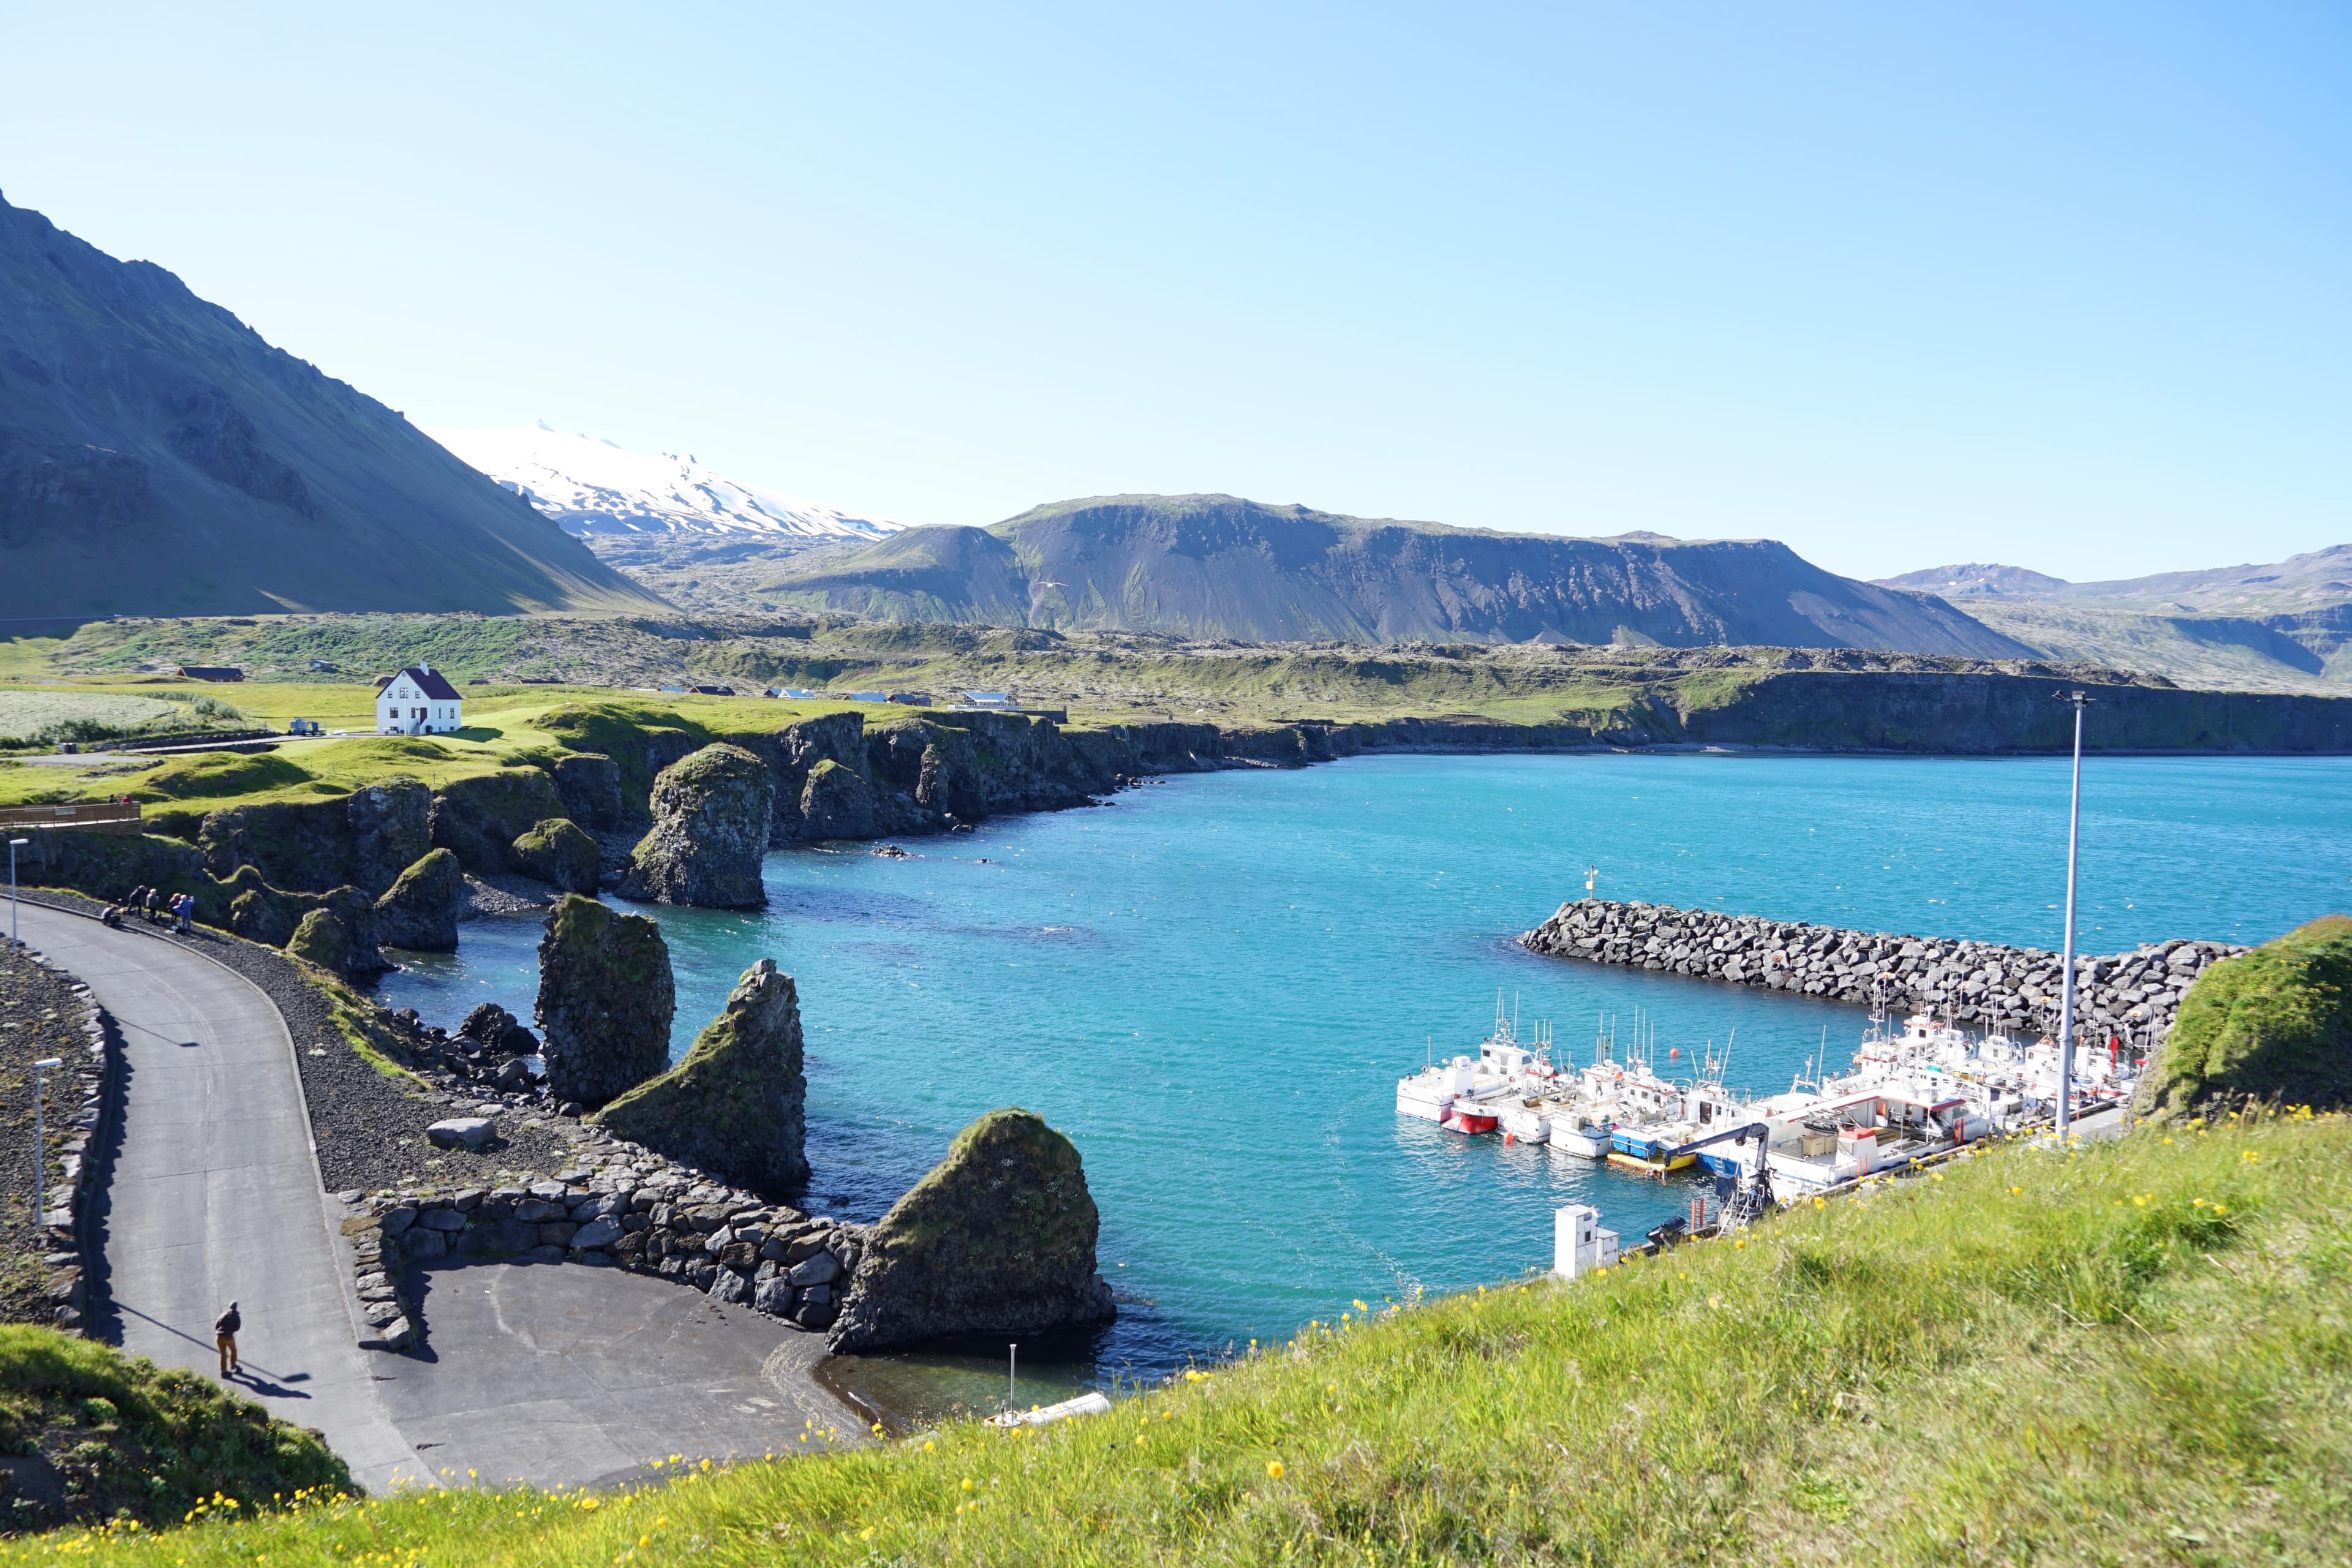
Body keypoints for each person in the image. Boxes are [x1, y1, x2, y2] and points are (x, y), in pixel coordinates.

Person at [214, 1301, 241, 1376]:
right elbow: (237, 1328)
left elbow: (216, 1326)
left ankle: (224, 1371)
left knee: (223, 1354)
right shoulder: (236, 1316)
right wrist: (231, 1330)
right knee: (233, 1350)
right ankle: (233, 1366)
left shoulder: (223, 1315)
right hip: (229, 1337)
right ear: (236, 1308)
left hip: (219, 1337)